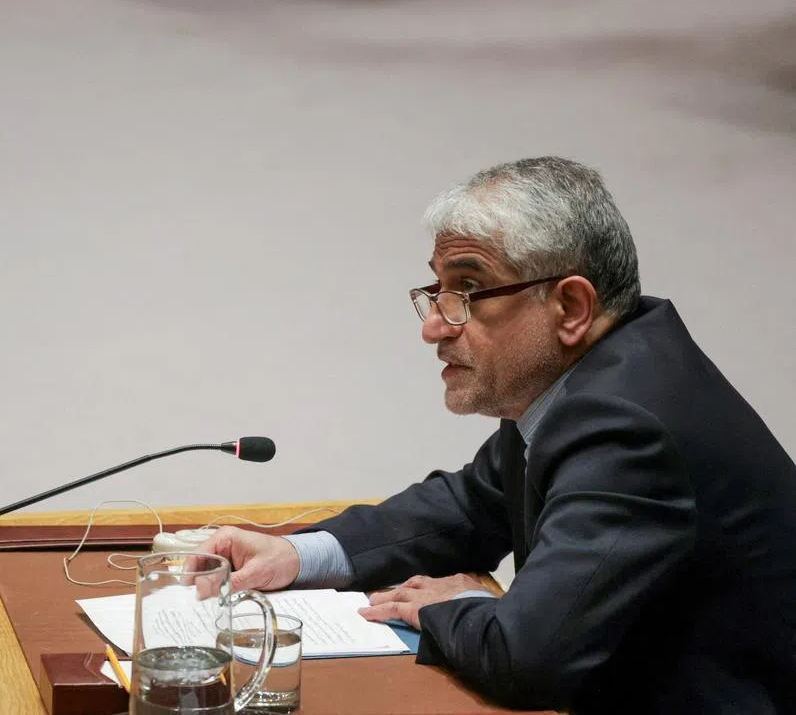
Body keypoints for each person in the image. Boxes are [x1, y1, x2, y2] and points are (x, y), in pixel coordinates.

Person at [199, 157, 796, 714]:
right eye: (437, 290)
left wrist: (456, 610)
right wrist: (298, 554)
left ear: (570, 307)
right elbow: (472, 504)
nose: (434, 326)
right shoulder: (592, 379)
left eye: (466, 292)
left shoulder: (628, 425)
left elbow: (529, 659)